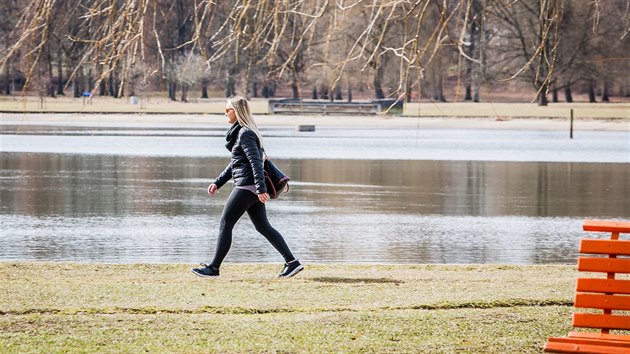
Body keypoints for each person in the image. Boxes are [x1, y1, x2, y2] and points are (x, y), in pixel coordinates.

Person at [191, 96, 304, 278]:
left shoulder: (245, 134)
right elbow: (235, 164)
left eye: (227, 110)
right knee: (263, 226)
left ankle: (214, 268)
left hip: (247, 187)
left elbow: (256, 163)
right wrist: (218, 182)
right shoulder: (241, 133)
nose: (225, 113)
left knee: (225, 223)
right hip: (250, 186)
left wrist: (260, 189)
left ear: (236, 111)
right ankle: (292, 263)